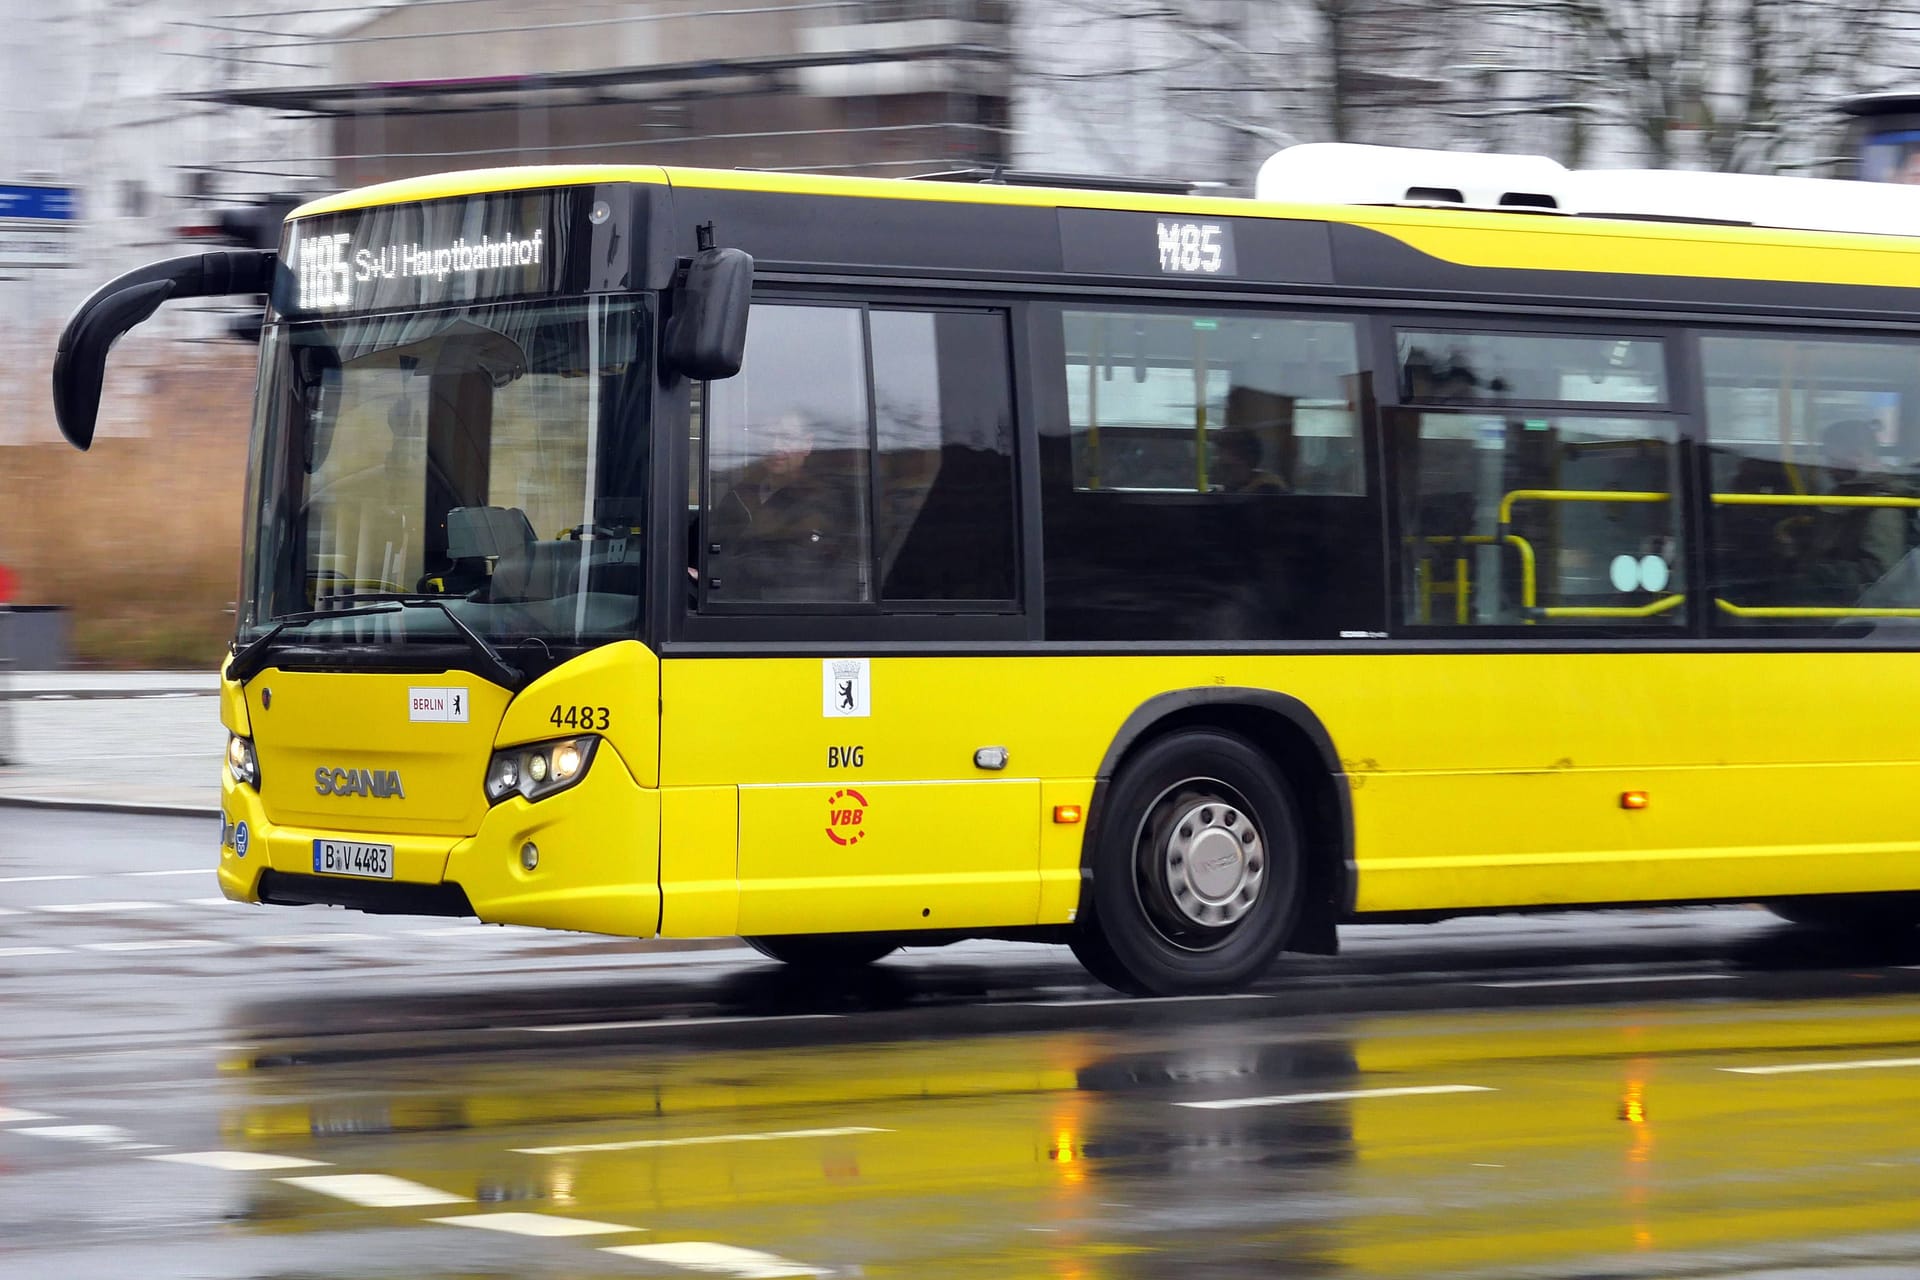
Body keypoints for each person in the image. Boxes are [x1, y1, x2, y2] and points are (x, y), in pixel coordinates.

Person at [708, 411, 861, 601]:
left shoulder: (822, 500)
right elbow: (716, 543)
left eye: (786, 438)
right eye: (768, 437)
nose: (775, 447)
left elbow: (795, 568)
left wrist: (719, 576)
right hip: (726, 602)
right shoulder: (739, 494)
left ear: (807, 444)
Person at [1210, 426, 1288, 494]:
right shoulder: (1227, 490)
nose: (1216, 459)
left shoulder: (1269, 493)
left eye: (1219, 452)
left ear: (1239, 455)